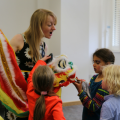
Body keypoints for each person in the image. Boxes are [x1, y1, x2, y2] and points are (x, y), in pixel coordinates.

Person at [3, 9, 57, 120]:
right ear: (38, 25)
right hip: (17, 90)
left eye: (54, 25)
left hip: (34, 90)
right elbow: (5, 63)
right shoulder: (19, 39)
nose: (54, 28)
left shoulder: (44, 46)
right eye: (50, 24)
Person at [73, 48, 115, 120]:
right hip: (87, 115)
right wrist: (82, 85)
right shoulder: (94, 77)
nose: (93, 65)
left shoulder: (105, 84)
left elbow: (94, 106)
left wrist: (80, 91)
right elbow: (89, 93)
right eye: (94, 62)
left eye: (97, 62)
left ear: (108, 64)